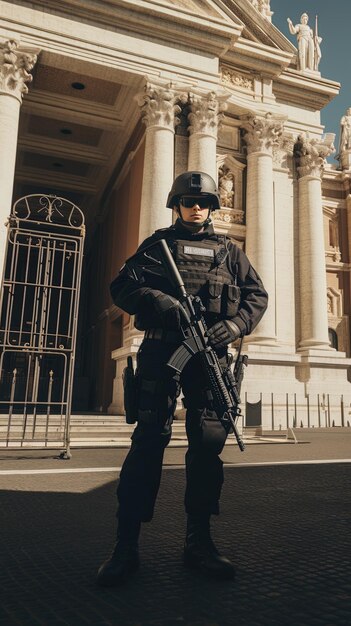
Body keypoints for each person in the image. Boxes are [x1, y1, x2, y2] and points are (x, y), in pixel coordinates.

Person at [97, 171, 268, 587]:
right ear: (176, 205)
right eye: (189, 201)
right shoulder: (157, 246)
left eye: (204, 202)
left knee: (208, 447)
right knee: (147, 442)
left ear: (212, 207)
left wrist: (234, 327)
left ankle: (199, 543)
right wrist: (155, 298)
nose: (196, 208)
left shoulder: (230, 252)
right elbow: (121, 286)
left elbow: (256, 296)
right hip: (161, 352)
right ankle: (126, 545)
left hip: (210, 355)